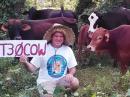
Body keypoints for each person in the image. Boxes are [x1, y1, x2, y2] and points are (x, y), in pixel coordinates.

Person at [19, 23, 79, 97]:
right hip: (45, 82)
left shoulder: (68, 49)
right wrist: (25, 62)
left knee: (75, 82)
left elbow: (72, 68)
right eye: (56, 36)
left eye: (61, 36)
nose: (58, 38)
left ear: (64, 38)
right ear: (51, 37)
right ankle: (52, 93)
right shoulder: (43, 48)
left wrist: (70, 74)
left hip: (61, 80)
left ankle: (65, 92)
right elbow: (32, 69)